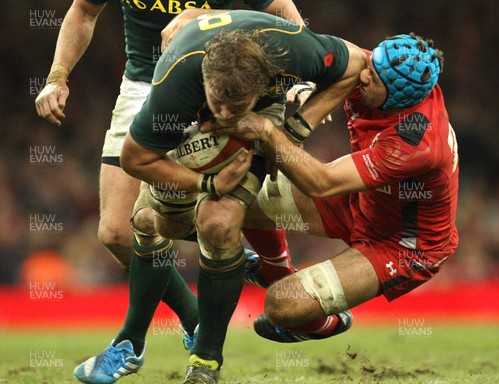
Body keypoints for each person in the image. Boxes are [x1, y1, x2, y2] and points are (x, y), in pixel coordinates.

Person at [33, 1, 304, 383]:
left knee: (202, 217)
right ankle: (203, 307)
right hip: (144, 85)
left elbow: (281, 9)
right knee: (116, 233)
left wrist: (300, 82)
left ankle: (135, 343)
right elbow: (83, 11)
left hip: (210, 87)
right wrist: (57, 76)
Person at [120, 9, 367, 383]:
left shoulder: (295, 51)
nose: (224, 114)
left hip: (261, 119)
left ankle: (205, 362)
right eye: (218, 104)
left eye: (235, 107)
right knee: (162, 225)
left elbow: (356, 64)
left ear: (265, 83)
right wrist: (207, 185)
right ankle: (243, 261)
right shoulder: (176, 86)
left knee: (217, 223)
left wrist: (293, 129)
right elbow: (133, 158)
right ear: (206, 82)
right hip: (187, 126)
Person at [211, 33, 459, 343]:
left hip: (401, 245)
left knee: (281, 306)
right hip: (361, 201)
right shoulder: (385, 67)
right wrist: (305, 84)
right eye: (371, 65)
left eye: (375, 78)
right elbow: (307, 45)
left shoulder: (416, 142)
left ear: (397, 96)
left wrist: (266, 131)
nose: (365, 75)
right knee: (240, 198)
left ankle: (324, 324)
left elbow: (322, 183)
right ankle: (270, 269)